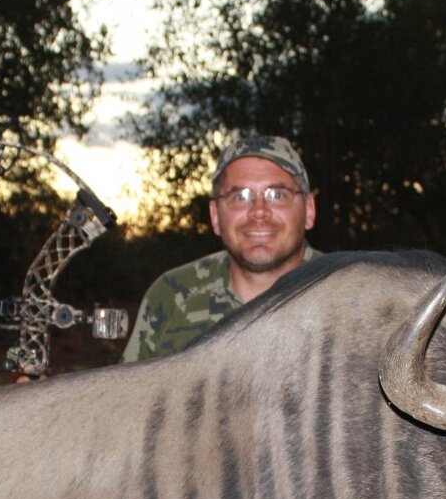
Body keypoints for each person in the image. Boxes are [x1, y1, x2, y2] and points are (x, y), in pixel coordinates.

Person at [121, 135, 319, 362]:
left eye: (277, 195)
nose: (259, 211)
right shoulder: (172, 296)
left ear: (309, 209)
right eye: (240, 196)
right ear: (215, 216)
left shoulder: (350, 297)